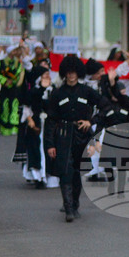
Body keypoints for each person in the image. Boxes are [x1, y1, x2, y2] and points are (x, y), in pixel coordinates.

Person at [44, 55, 108, 222]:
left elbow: (106, 106)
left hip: (82, 134)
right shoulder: (57, 93)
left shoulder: (86, 91)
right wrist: (50, 144)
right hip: (63, 134)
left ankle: (75, 203)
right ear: (64, 73)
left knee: (77, 171)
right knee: (65, 170)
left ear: (78, 73)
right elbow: (50, 120)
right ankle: (68, 207)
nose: (71, 75)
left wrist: (91, 121)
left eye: (74, 72)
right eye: (68, 72)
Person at [12, 65, 50, 187]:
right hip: (35, 122)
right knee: (35, 149)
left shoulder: (50, 90)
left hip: (47, 123)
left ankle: (43, 176)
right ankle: (36, 176)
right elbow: (26, 106)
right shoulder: (33, 91)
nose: (47, 77)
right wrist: (30, 121)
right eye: (44, 75)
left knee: (44, 149)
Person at [0, 46, 25, 136]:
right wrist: (4, 80)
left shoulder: (18, 63)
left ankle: (13, 127)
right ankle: (4, 128)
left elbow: (19, 73)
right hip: (5, 88)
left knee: (14, 106)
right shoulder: (1, 62)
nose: (15, 52)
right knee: (4, 106)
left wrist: (14, 80)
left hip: (14, 88)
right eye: (13, 50)